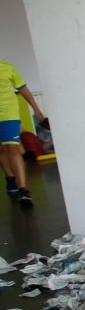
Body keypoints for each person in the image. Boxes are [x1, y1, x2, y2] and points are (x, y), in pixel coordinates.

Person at [0, 59, 45, 207]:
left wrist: (36, 109)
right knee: (2, 149)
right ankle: (10, 178)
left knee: (12, 148)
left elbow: (24, 89)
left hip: (9, 113)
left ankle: (23, 190)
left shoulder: (7, 67)